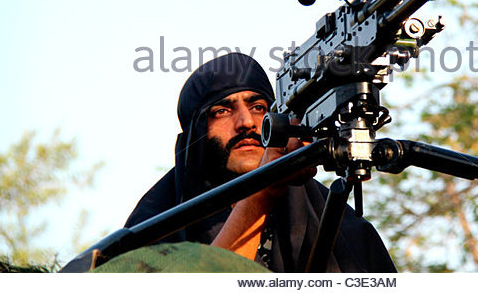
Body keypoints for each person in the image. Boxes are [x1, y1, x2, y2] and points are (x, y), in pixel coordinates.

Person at [125, 52, 396, 272]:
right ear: (197, 135)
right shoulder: (153, 227)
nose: (246, 122)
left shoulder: (344, 228)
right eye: (222, 111)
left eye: (258, 108)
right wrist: (262, 193)